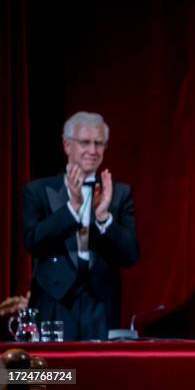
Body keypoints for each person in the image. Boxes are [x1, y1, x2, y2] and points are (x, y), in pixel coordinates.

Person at [23, 111, 139, 341]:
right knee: (57, 376)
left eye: (99, 143)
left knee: (98, 375)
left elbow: (130, 255)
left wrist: (104, 217)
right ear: (67, 145)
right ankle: (58, 381)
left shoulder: (118, 193)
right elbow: (33, 242)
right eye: (85, 142)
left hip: (101, 305)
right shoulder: (38, 191)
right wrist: (72, 209)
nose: (93, 151)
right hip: (55, 302)